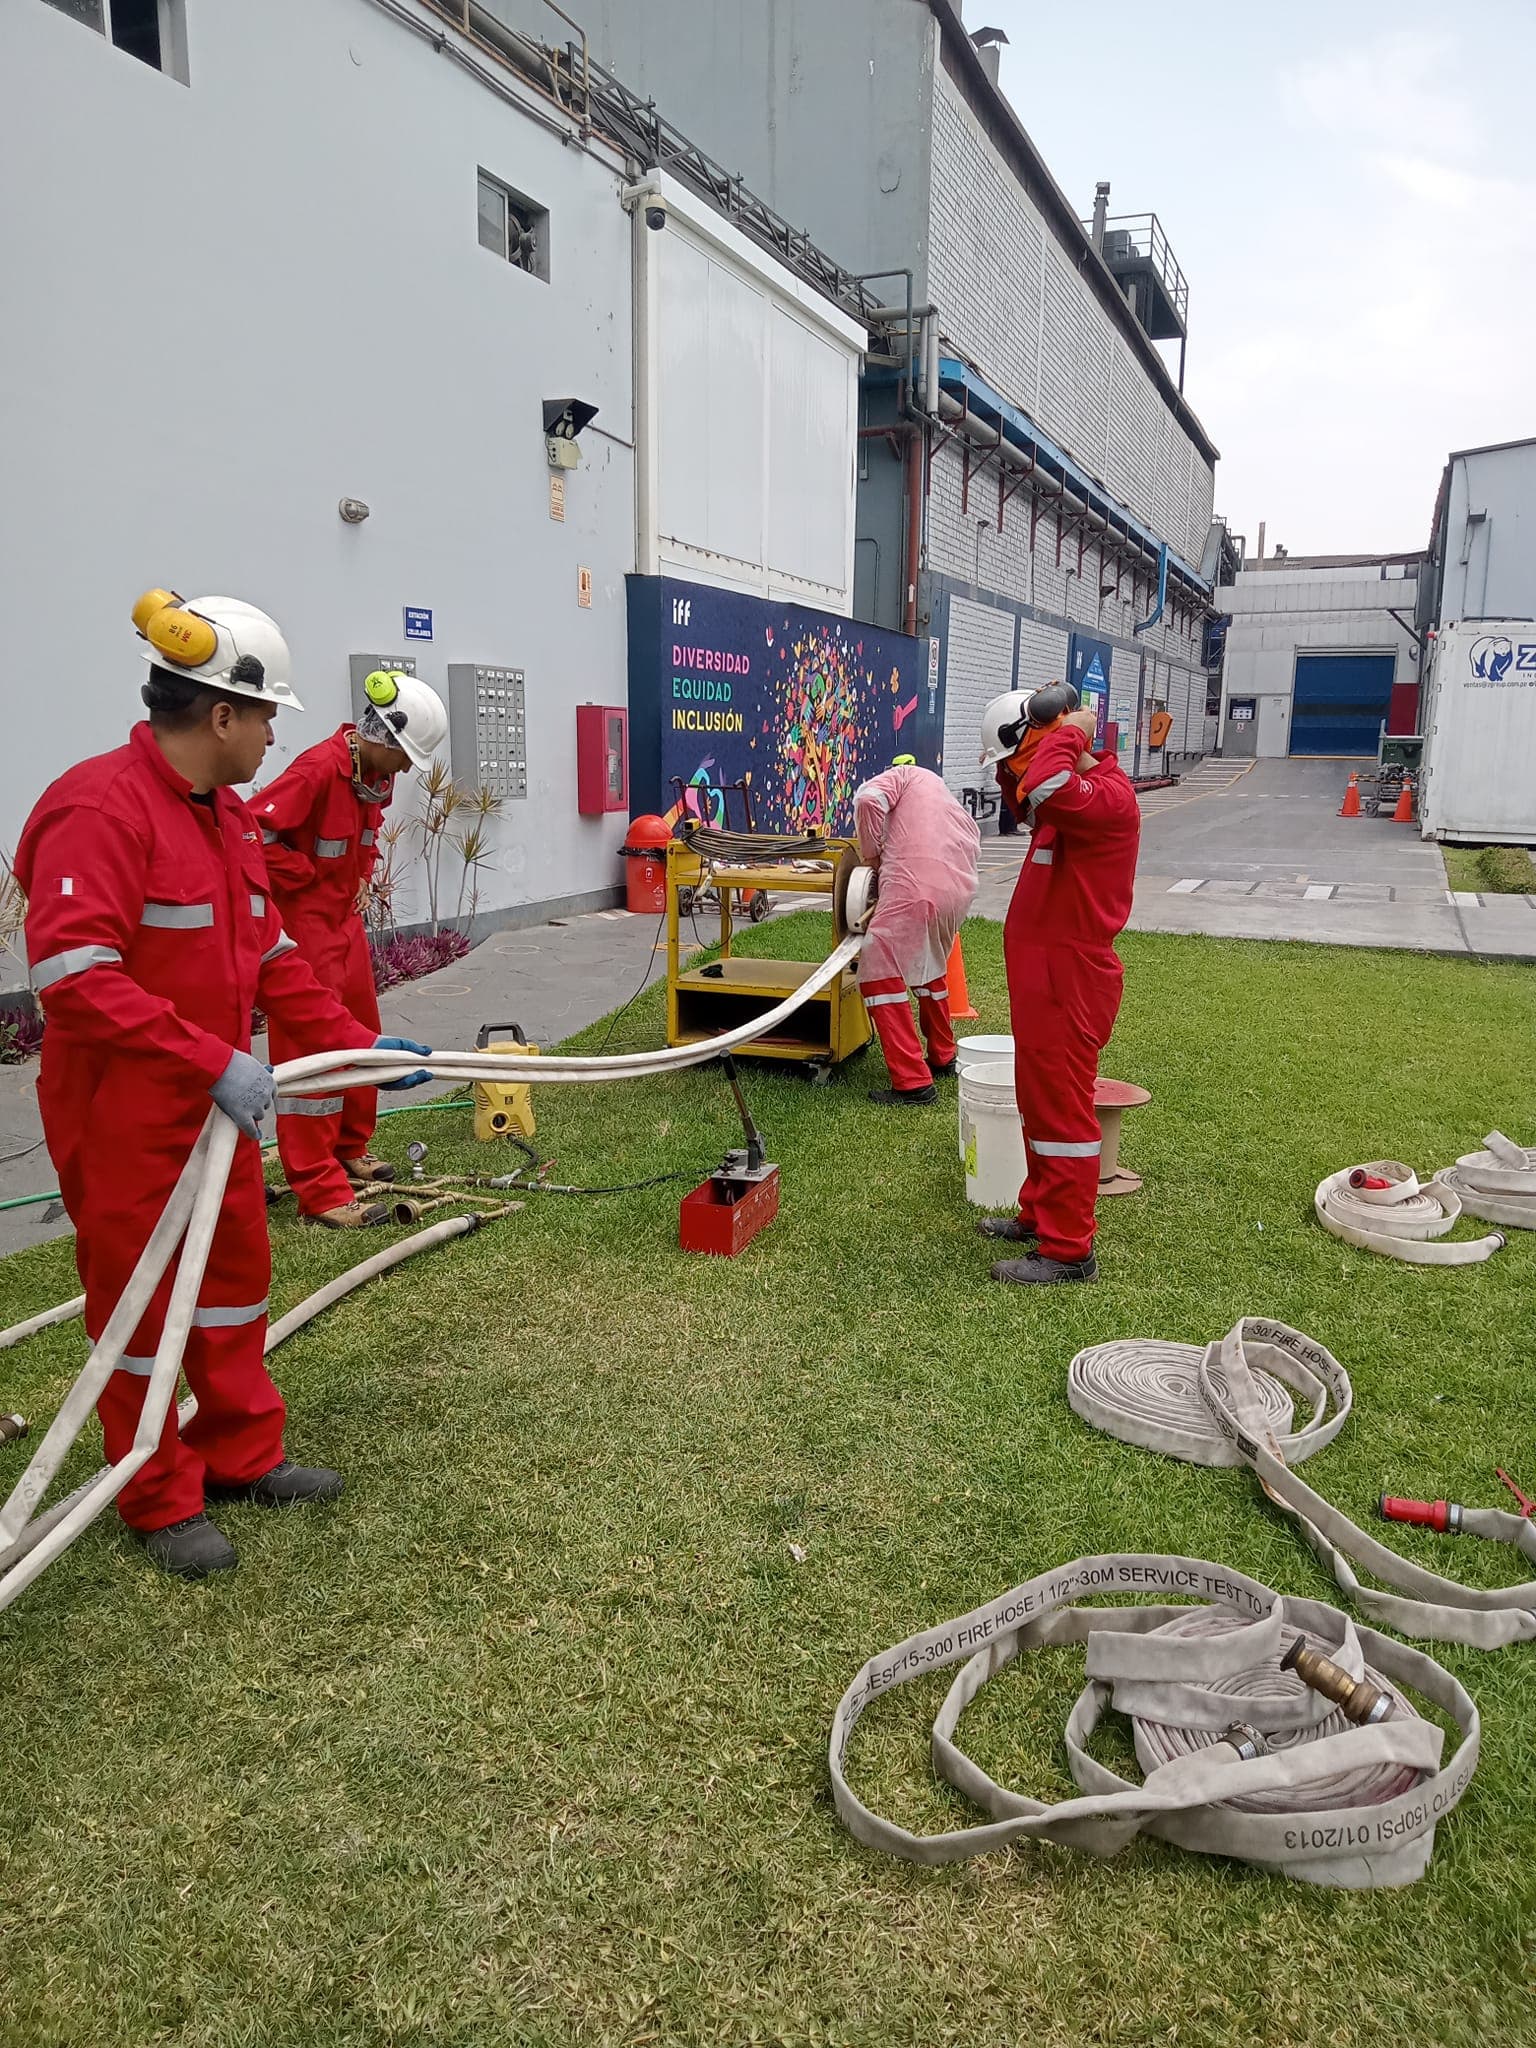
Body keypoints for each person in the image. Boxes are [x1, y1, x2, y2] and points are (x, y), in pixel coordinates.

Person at [16, 591, 433, 1579]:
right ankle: (155, 1490)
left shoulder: (226, 815)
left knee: (234, 1284)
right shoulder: (100, 810)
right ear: (219, 716)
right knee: (143, 1303)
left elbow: (272, 951)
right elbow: (75, 981)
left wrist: (352, 1042)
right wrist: (214, 1061)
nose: (273, 735)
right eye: (265, 717)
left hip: (215, 1108)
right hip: (125, 1113)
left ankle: (242, 1453)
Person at [254, 671, 447, 1226]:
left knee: (361, 1029)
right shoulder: (317, 770)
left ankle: (349, 1147)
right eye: (405, 755)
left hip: (342, 920)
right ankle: (317, 1185)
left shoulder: (371, 778)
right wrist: (311, 875)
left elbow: (363, 836)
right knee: (314, 1048)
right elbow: (253, 836)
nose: (408, 769)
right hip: (306, 925)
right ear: (380, 738)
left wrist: (359, 876)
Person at [981, 682, 1140, 1285]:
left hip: (1068, 982)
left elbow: (1043, 783)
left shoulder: (1104, 798)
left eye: (1010, 759)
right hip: (1045, 981)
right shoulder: (1065, 802)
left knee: (1064, 1114)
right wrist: (1028, 756)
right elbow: (1028, 798)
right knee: (1038, 1104)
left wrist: (1071, 726)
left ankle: (1069, 1250)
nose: (1012, 777)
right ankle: (1038, 1215)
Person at [851, 759, 980, 1105]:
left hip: (915, 885)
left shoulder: (897, 777)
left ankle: (912, 1082)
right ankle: (942, 1055)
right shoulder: (937, 790)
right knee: (930, 967)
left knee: (878, 969)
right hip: (956, 888)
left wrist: (871, 856)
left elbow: (868, 801)